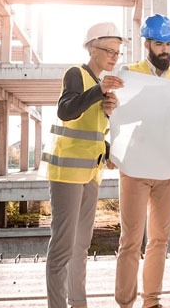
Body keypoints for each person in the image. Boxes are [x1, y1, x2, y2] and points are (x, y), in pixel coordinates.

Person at [43, 22, 126, 308]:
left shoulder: (101, 85)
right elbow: (66, 110)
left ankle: (79, 303)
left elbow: (92, 133)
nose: (114, 56)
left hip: (91, 174)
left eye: (118, 52)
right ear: (92, 48)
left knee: (81, 247)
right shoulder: (76, 74)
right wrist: (98, 93)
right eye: (108, 50)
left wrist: (108, 152)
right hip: (67, 173)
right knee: (63, 248)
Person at [115, 14, 170, 308]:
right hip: (135, 168)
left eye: (169, 44)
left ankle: (152, 301)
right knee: (131, 239)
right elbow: (115, 118)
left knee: (159, 239)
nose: (165, 50)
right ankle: (125, 302)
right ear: (147, 44)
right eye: (160, 43)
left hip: (168, 169)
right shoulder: (128, 74)